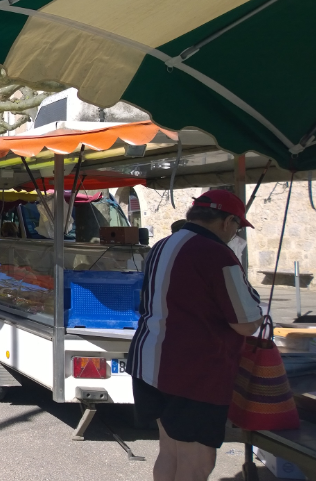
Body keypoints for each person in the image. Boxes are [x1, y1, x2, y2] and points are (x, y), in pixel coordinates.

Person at [127, 190, 262, 481]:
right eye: (237, 226)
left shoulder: (162, 245)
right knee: (197, 462)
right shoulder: (217, 254)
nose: (236, 233)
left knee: (169, 452)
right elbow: (246, 323)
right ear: (227, 221)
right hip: (194, 373)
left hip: (150, 362)